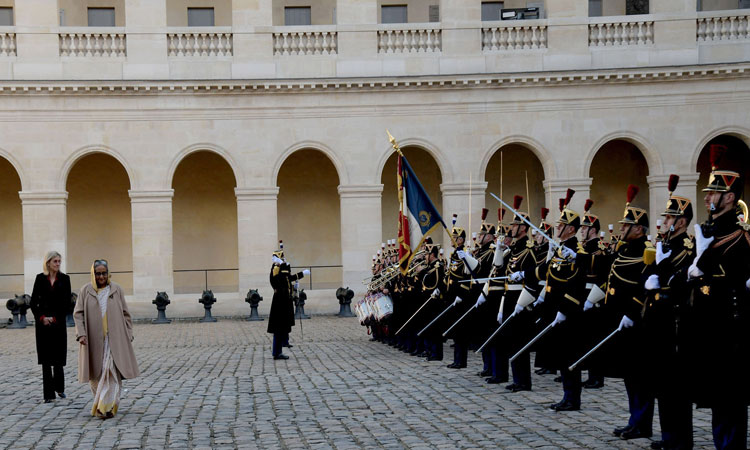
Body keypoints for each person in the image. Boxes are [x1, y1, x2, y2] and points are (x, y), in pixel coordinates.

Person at [685, 144, 750, 450]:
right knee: (717, 402)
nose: (707, 197)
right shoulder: (710, 235)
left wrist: (703, 266)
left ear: (730, 197)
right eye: (708, 193)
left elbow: (732, 283)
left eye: (713, 193)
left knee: (731, 400)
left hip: (732, 333)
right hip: (708, 329)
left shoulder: (740, 239)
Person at [74, 259, 140, 419]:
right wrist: (81, 333)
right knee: (97, 373)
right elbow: (78, 314)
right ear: (93, 274)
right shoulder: (86, 290)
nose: (101, 276)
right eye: (98, 273)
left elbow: (126, 314)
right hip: (93, 341)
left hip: (114, 340)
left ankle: (108, 406)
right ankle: (100, 402)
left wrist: (128, 333)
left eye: (104, 273)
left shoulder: (116, 290)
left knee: (112, 371)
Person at [30, 251, 72, 404]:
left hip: (58, 323)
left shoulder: (65, 279)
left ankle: (59, 387)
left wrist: (54, 318)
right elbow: (33, 302)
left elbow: (67, 303)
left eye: (59, 261)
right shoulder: (40, 279)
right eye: (55, 261)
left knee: (58, 358)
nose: (58, 264)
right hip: (42, 326)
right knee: (46, 360)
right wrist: (42, 318)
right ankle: (48, 394)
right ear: (48, 262)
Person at [269, 243, 309, 360]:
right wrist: (280, 265)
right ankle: (277, 352)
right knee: (279, 328)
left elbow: (289, 278)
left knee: (282, 327)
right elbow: (277, 280)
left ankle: (279, 350)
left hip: (284, 301)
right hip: (279, 302)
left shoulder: (281, 271)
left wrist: (301, 275)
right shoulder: (276, 271)